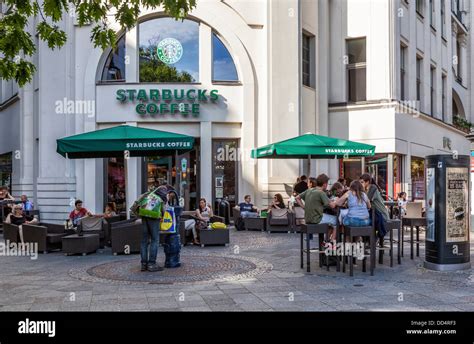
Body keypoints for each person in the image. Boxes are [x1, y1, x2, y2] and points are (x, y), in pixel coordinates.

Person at [296, 174, 337, 240]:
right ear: (324, 184)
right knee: (336, 220)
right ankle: (330, 244)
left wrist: (304, 207)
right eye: (327, 184)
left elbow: (297, 198)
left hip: (307, 219)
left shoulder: (309, 190)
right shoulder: (321, 192)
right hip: (317, 219)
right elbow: (332, 205)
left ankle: (326, 241)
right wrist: (337, 201)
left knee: (330, 223)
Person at [360, 174, 390, 239]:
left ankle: (372, 240)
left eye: (362, 182)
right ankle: (368, 240)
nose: (360, 184)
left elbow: (365, 201)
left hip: (381, 216)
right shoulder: (366, 189)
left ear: (367, 182)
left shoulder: (373, 188)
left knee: (364, 221)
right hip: (374, 215)